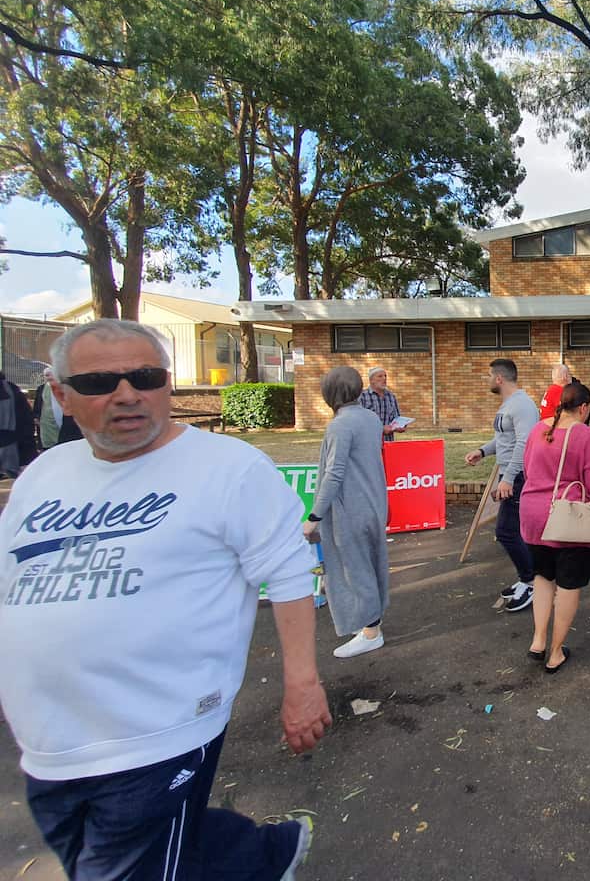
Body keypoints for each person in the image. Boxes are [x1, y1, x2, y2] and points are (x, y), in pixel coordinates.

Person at [0, 319, 329, 879]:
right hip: (46, 742)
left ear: (166, 383)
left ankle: (263, 855)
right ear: (60, 394)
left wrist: (303, 685)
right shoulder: (44, 473)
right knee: (105, 861)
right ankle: (264, 855)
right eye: (101, 381)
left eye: (144, 376)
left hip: (159, 731)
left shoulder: (228, 468)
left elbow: (291, 570)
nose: (126, 394)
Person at [519, 381, 590, 672]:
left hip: (532, 516)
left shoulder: (538, 430)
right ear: (583, 408)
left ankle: (538, 640)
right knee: (569, 586)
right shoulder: (584, 436)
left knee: (544, 579)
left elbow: (526, 468)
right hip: (567, 520)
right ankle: (556, 652)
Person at [303, 366, 391, 659]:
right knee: (370, 564)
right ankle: (369, 624)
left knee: (355, 569)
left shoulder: (340, 425)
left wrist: (314, 516)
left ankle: (370, 632)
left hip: (349, 507)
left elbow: (333, 473)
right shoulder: (370, 417)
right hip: (374, 502)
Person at [465, 359, 541, 612]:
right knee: (514, 532)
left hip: (517, 477)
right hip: (509, 476)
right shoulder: (509, 405)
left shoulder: (522, 405)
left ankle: (531, 583)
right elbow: (504, 438)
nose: (486, 380)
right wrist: (482, 451)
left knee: (506, 532)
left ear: (499, 378)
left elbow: (524, 443)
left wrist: (508, 478)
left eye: (489, 375)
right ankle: (527, 578)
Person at [31, 366, 81, 450]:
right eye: (46, 375)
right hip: (46, 421)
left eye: (50, 375)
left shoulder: (65, 387)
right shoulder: (41, 388)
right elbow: (38, 403)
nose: (48, 377)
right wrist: (36, 416)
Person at [0, 368, 36, 478]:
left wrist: (27, 458)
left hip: (9, 460)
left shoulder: (11, 391)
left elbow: (26, 427)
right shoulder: (10, 390)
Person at [359, 366, 407, 440]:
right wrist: (381, 429)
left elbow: (396, 418)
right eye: (380, 376)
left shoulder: (391, 397)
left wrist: (401, 425)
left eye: (385, 376)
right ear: (371, 380)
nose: (384, 379)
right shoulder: (362, 396)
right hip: (369, 443)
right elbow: (359, 422)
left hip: (388, 443)